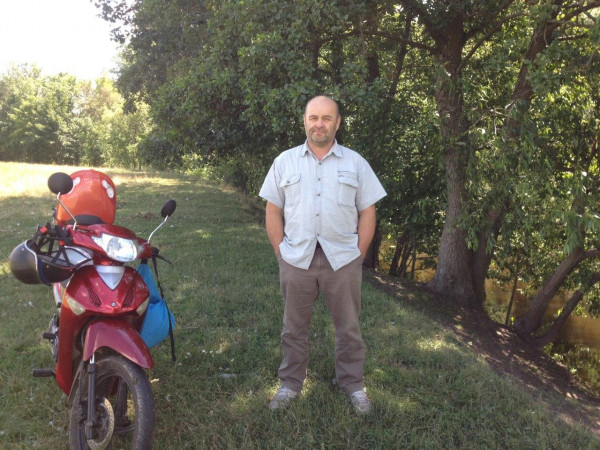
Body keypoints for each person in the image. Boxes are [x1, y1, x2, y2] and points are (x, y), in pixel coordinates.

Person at [259, 95, 387, 413]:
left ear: (338, 123)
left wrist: (358, 256)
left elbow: (368, 212)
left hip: (342, 261)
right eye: (314, 117)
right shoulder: (284, 162)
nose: (319, 123)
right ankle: (290, 384)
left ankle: (353, 385)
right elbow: (273, 210)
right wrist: (280, 253)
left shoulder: (356, 163)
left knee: (349, 328)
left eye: (326, 118)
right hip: (296, 259)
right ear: (304, 120)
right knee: (293, 328)